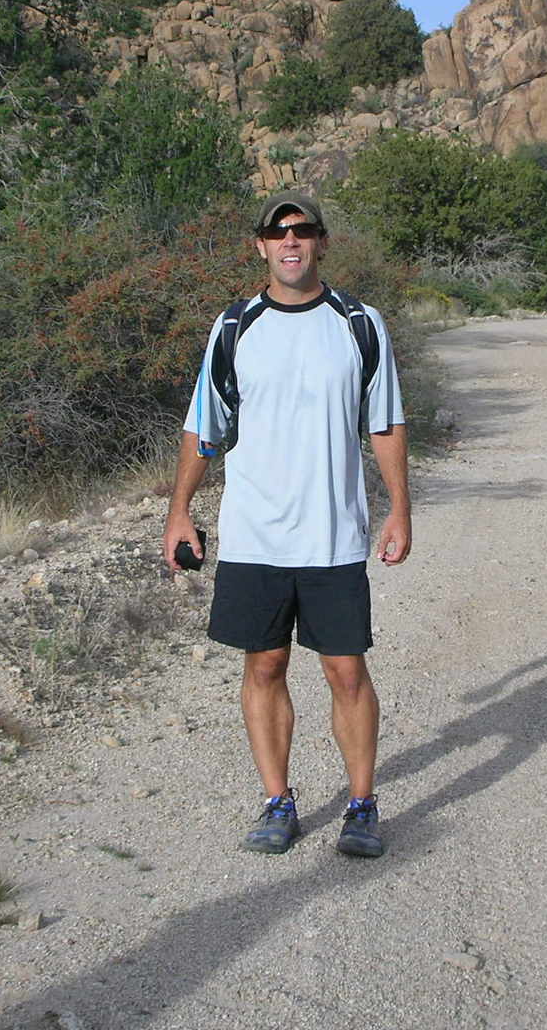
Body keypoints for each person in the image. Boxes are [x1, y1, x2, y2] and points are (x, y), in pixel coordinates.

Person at [162, 190, 410, 858]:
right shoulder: (234, 327)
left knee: (346, 673)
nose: (290, 241)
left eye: (302, 230)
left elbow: (384, 422)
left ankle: (362, 805)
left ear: (322, 241)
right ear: (261, 246)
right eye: (278, 233)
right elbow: (204, 426)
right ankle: (278, 801)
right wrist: (179, 511)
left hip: (333, 533)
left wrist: (399, 510)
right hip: (255, 534)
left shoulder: (359, 323)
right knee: (265, 664)